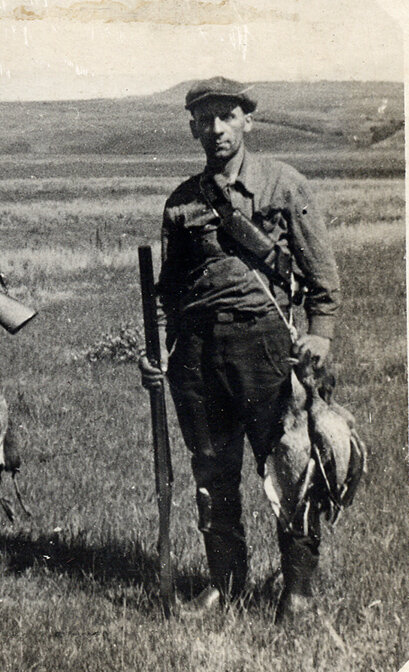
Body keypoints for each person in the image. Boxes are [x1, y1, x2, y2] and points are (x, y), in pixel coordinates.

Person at [139, 77, 340, 624]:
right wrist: (155, 350)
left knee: (289, 466)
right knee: (212, 471)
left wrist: (318, 332)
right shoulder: (182, 201)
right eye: (205, 120)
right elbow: (168, 291)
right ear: (192, 128)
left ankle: (297, 591)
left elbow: (321, 278)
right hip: (197, 357)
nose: (217, 129)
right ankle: (225, 586)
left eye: (227, 117)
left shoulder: (283, 185)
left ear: (247, 121)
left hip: (265, 346)